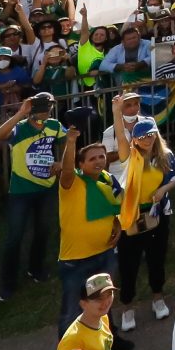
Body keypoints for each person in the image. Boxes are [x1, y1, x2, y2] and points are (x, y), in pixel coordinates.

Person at [110, 107, 175, 337]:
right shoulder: (128, 157)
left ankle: (158, 297)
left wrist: (163, 189)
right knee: (128, 265)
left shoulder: (165, 155)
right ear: (135, 139)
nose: (147, 139)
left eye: (150, 134)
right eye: (142, 136)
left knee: (156, 258)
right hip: (131, 217)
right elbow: (120, 136)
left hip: (156, 216)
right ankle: (127, 307)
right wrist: (116, 110)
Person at [0, 94, 67, 299]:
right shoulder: (20, 128)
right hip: (21, 191)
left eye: (49, 107)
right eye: (43, 107)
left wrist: (61, 162)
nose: (46, 111)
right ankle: (8, 283)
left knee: (43, 231)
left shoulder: (54, 125)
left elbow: (67, 141)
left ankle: (36, 269)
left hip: (46, 188)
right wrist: (20, 113)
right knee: (14, 237)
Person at [56, 137, 125, 334]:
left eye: (101, 157)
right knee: (72, 311)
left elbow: (111, 209)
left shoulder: (106, 180)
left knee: (105, 304)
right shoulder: (72, 182)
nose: (98, 161)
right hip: (76, 261)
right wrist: (70, 142)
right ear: (81, 164)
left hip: (105, 255)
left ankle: (108, 342)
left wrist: (116, 223)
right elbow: (67, 169)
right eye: (92, 158)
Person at [60, 272, 127, 350]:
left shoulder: (103, 318)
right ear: (83, 304)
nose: (106, 302)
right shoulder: (73, 339)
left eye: (109, 294)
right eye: (99, 299)